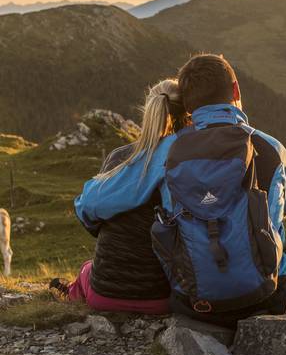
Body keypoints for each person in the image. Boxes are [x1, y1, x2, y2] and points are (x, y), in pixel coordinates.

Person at [164, 54, 286, 326]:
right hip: (267, 299)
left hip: (192, 302)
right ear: (236, 90)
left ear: (187, 104)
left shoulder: (168, 152)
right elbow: (283, 211)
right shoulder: (269, 148)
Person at [52, 80, 188, 313]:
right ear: (188, 114)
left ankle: (72, 295)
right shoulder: (190, 163)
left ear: (150, 112)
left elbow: (92, 220)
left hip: (104, 294)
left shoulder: (120, 158)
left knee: (87, 269)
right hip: (163, 297)